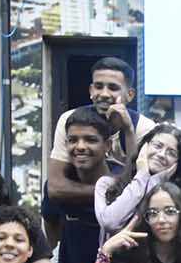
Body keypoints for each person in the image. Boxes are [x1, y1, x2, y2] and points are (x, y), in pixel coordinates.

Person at [40, 106, 122, 263]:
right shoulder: (58, 188)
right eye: (73, 140)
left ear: (108, 145)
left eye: (90, 139)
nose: (80, 146)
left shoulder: (125, 184)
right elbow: (51, 229)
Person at [46, 57, 150, 206]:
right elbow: (55, 187)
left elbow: (141, 186)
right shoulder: (69, 119)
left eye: (113, 88)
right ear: (91, 90)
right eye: (98, 86)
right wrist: (107, 192)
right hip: (82, 200)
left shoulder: (143, 127)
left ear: (130, 94)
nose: (104, 94)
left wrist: (128, 129)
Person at [94, 121, 181, 236]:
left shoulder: (179, 197)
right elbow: (110, 222)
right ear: (145, 146)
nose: (161, 154)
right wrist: (142, 176)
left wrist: (157, 181)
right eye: (158, 146)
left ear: (177, 164)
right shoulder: (107, 184)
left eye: (171, 153)